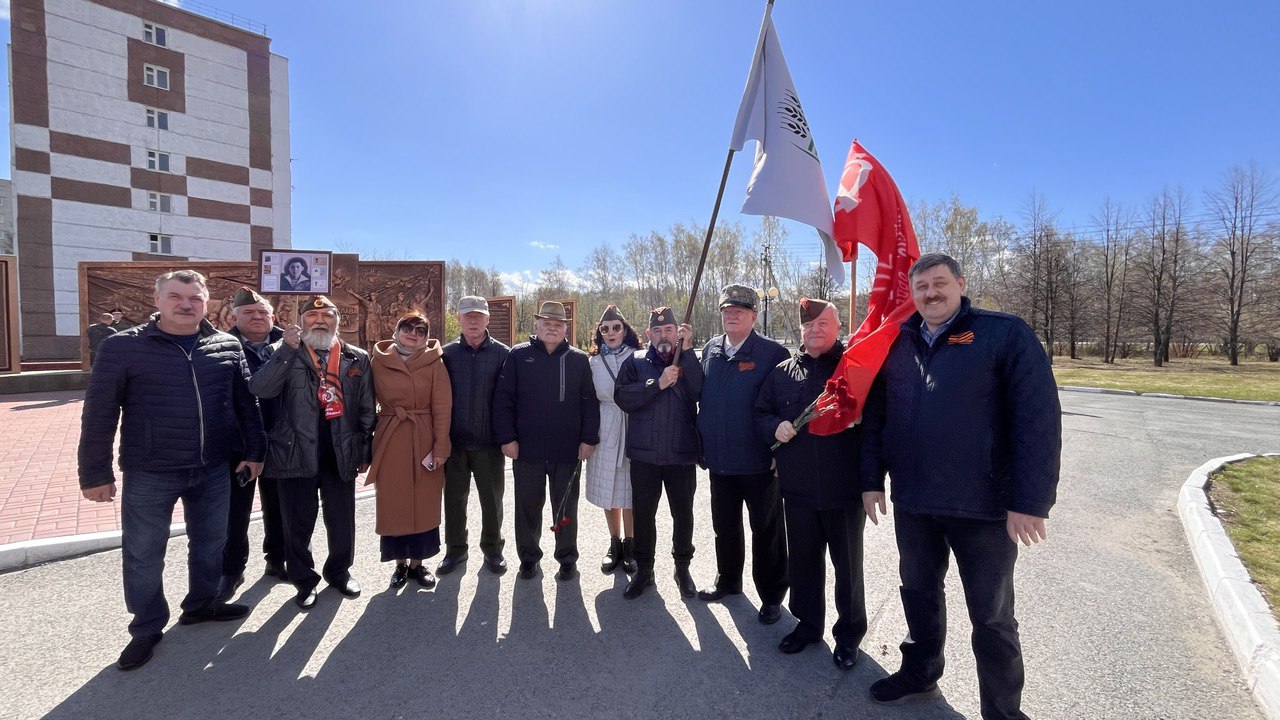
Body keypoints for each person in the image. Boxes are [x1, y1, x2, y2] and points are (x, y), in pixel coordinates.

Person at [861, 253, 1062, 719]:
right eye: (922, 287)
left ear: (961, 284)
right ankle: (920, 674)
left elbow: (1037, 421)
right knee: (918, 592)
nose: (930, 294)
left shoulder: (1004, 334)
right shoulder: (897, 341)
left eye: (939, 284)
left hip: (984, 507)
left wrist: (1030, 501)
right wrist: (871, 481)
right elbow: (876, 417)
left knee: (991, 617)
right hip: (915, 502)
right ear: (912, 294)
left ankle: (1003, 712)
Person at [78, 270, 265, 671]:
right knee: (144, 553)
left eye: (195, 297)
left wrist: (254, 451)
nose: (186, 303)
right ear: (158, 300)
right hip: (151, 470)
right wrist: (95, 472)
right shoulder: (122, 348)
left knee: (211, 543)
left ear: (206, 302)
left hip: (214, 467)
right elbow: (99, 413)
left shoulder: (226, 345)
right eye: (176, 296)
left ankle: (202, 604)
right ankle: (146, 627)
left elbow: (245, 405)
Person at [755, 298, 865, 669]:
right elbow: (761, 412)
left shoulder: (854, 369)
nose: (814, 331)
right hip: (797, 487)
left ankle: (849, 635)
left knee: (848, 567)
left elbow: (877, 424)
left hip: (843, 488)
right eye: (808, 326)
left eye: (822, 324)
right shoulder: (783, 372)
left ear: (837, 327)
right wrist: (773, 426)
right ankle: (808, 624)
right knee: (803, 561)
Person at [249, 295, 376, 610]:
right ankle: (304, 581)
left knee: (341, 518)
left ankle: (339, 571)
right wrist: (288, 351)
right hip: (294, 451)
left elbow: (365, 408)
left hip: (339, 450)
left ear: (337, 320)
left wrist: (363, 449)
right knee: (297, 521)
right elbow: (260, 389)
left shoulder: (356, 358)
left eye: (327, 315)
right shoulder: (280, 351)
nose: (320, 320)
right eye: (312, 315)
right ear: (300, 320)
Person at [696, 284, 790, 624]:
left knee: (766, 530)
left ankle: (771, 595)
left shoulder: (773, 354)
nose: (731, 315)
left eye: (739, 311)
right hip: (719, 460)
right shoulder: (709, 349)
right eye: (726, 310)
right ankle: (728, 580)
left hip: (758, 461)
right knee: (725, 526)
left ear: (753, 315)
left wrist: (780, 452)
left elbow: (784, 406)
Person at [492, 301, 600, 581]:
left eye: (558, 324)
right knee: (527, 506)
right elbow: (503, 400)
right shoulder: (518, 355)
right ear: (536, 326)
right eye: (547, 324)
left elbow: (589, 401)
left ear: (566, 328)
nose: (552, 328)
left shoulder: (577, 359)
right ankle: (528, 558)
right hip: (527, 448)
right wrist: (507, 438)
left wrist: (589, 439)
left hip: (568, 449)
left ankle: (566, 558)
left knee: (565, 507)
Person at [613, 307, 701, 599]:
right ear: (649, 334)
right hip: (644, 456)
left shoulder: (689, 359)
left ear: (678, 332)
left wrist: (687, 353)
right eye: (658, 331)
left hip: (681, 454)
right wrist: (658, 383)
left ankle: (682, 567)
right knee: (643, 515)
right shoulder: (635, 362)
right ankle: (645, 570)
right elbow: (623, 397)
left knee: (683, 515)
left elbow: (702, 392)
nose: (664, 335)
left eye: (670, 330)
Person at [368, 312, 452, 590]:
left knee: (424, 501)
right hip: (390, 438)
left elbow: (442, 407)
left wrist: (441, 447)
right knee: (394, 502)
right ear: (396, 329)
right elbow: (365, 404)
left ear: (426, 337)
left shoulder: (434, 362)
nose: (413, 334)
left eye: (420, 330)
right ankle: (399, 564)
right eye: (408, 328)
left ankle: (418, 563)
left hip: (424, 436)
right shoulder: (377, 362)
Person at [217, 288, 287, 601]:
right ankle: (232, 570)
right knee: (235, 511)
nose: (257, 317)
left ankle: (278, 559)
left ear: (273, 316)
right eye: (249, 313)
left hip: (282, 439)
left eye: (262, 312)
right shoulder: (219, 345)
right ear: (234, 316)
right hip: (239, 443)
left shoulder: (292, 344)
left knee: (280, 506)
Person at [440, 296, 511, 575]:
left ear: (487, 320)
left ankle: (493, 549)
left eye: (478, 316)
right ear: (457, 318)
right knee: (454, 501)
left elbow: (509, 401)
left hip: (489, 443)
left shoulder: (504, 354)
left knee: (492, 501)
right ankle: (455, 550)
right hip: (455, 442)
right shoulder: (445, 354)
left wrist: (508, 437)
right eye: (467, 316)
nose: (472, 321)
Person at [585, 305, 641, 575]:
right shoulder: (592, 361)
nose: (610, 333)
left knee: (629, 491)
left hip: (631, 424)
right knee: (609, 490)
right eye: (604, 328)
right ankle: (614, 543)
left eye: (616, 327)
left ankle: (631, 545)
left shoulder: (638, 357)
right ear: (599, 332)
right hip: (604, 426)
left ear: (625, 329)